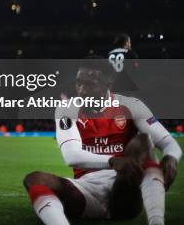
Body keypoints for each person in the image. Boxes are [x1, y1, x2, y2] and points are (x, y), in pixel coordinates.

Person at [23, 64, 181, 224]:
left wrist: (172, 157)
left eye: (90, 84)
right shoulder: (67, 109)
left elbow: (168, 142)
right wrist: (112, 160)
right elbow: (71, 156)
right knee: (34, 179)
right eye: (79, 83)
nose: (82, 90)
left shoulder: (131, 105)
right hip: (86, 189)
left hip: (124, 185)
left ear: (108, 83)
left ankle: (157, 221)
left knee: (143, 141)